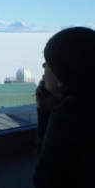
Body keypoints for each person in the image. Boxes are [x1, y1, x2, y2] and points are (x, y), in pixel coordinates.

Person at [34, 27, 95, 188]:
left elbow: (44, 180)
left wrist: (46, 114)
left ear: (63, 77)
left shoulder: (71, 113)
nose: (43, 66)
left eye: (48, 63)